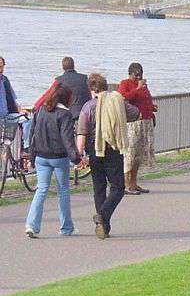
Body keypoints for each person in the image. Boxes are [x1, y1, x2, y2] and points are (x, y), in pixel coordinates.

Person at [76, 74, 140, 239]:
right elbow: (135, 114)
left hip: (94, 150)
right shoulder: (117, 103)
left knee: (99, 187)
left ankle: (103, 225)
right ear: (106, 87)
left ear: (91, 89)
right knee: (118, 187)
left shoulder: (88, 107)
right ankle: (103, 217)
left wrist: (79, 155)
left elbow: (82, 132)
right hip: (113, 148)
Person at [24, 85, 82, 238]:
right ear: (66, 99)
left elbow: (32, 134)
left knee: (41, 190)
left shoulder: (41, 110)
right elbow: (67, 139)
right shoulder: (65, 114)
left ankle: (31, 224)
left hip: (41, 157)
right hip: (58, 157)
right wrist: (76, 159)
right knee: (63, 191)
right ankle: (66, 227)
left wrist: (31, 156)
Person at [118, 62, 157, 195]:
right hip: (133, 123)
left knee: (138, 156)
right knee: (130, 154)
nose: (138, 78)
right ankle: (126, 184)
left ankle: (134, 183)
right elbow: (122, 98)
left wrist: (151, 107)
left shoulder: (143, 85)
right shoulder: (125, 83)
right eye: (136, 75)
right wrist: (137, 89)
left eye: (140, 75)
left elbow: (146, 99)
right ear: (130, 74)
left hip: (145, 122)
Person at [55, 56, 91, 122]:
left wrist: (36, 106)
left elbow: (49, 96)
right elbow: (89, 96)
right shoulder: (84, 78)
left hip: (66, 115)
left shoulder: (59, 80)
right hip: (83, 113)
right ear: (73, 66)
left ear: (63, 67)